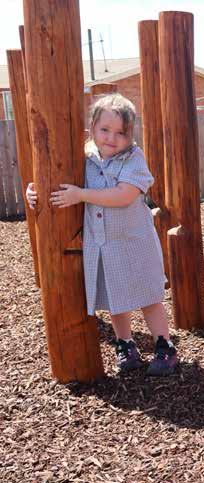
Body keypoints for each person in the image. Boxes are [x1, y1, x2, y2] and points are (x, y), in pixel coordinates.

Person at [26, 93, 176, 376]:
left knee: (148, 295)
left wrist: (82, 194)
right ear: (92, 128)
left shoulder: (133, 158)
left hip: (135, 241)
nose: (112, 138)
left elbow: (124, 195)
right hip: (104, 245)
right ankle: (125, 343)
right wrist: (35, 192)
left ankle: (164, 344)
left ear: (130, 135)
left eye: (121, 133)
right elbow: (55, 180)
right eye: (105, 129)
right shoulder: (84, 158)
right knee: (116, 298)